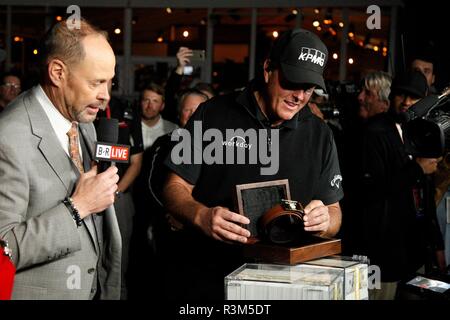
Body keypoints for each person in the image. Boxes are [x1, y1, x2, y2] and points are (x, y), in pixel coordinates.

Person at [162, 28, 343, 300]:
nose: (300, 96)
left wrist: (326, 221)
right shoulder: (212, 115)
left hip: (285, 285)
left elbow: (334, 211)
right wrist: (200, 216)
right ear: (268, 69)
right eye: (292, 82)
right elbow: (173, 186)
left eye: (309, 88)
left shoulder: (319, 134)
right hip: (208, 279)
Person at [0, 18, 121, 299]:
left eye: (110, 82)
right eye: (96, 82)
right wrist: (78, 207)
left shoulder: (84, 122)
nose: (105, 96)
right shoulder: (9, 137)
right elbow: (3, 247)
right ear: (57, 72)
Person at [354, 70, 444, 300]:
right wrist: (416, 168)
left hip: (415, 252)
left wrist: (436, 243)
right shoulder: (373, 133)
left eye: (413, 98)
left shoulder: (425, 132)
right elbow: (370, 191)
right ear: (391, 96)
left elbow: (426, 194)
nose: (406, 103)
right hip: (383, 256)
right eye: (401, 95)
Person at [95, 94, 144, 300]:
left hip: (119, 196)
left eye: (107, 80)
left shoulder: (127, 113)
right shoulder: (85, 111)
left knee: (118, 258)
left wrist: (116, 191)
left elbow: (136, 161)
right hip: (89, 195)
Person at [140, 83, 178, 150]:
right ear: (140, 102)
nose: (150, 106)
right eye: (146, 100)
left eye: (155, 101)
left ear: (162, 106)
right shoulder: (128, 128)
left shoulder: (173, 130)